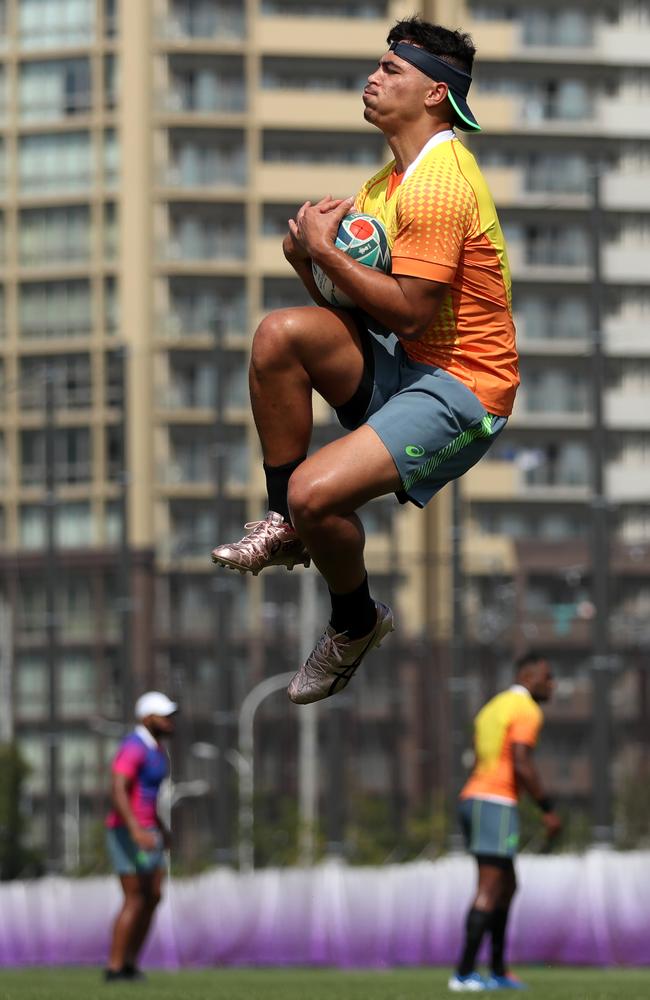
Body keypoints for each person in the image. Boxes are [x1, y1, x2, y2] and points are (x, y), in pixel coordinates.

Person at [212, 16, 518, 705]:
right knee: (280, 336)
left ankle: (354, 623)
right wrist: (307, 265)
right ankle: (284, 521)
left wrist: (326, 253)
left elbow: (408, 310)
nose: (373, 78)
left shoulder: (441, 178)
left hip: (467, 392)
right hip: (409, 368)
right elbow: (358, 316)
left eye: (391, 69)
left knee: (318, 493)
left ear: (435, 94)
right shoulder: (385, 185)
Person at [449, 653, 562, 992]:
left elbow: (478, 750)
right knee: (488, 889)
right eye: (547, 676)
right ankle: (464, 974)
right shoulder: (526, 709)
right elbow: (521, 762)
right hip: (494, 801)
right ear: (528, 676)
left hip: (474, 799)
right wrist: (547, 808)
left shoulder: (493, 706)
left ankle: (497, 970)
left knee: (507, 886)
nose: (552, 683)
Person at [104, 691, 178, 982]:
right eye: (165, 716)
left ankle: (131, 963)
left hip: (148, 829)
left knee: (153, 895)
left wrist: (159, 826)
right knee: (134, 897)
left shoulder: (156, 749)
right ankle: (115, 967)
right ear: (147, 718)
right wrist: (135, 828)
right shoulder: (133, 747)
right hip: (127, 830)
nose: (170, 721)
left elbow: (147, 795)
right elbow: (118, 789)